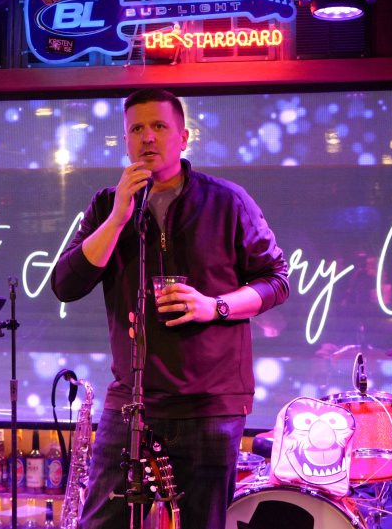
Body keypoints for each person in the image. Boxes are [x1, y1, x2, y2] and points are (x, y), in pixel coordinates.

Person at [51, 88, 290, 528]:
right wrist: (118, 218)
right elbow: (66, 285)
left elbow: (276, 280)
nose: (147, 137)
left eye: (159, 126)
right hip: (132, 400)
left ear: (183, 137)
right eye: (136, 129)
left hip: (211, 403)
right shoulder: (107, 205)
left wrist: (214, 306)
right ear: (125, 141)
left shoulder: (227, 201)